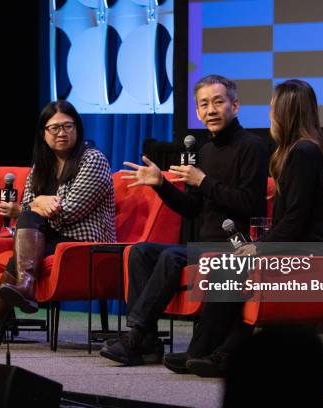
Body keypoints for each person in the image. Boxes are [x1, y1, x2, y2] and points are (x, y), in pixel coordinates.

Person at [99, 75, 269, 366]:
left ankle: (136, 335)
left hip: (236, 247)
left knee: (170, 256)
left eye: (218, 102)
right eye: (204, 104)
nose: (211, 110)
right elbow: (192, 208)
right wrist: (161, 185)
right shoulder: (203, 151)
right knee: (139, 252)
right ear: (198, 112)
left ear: (235, 105)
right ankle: (149, 342)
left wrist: (203, 181)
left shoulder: (252, 146)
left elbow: (249, 203)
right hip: (205, 244)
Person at [183, 79, 323, 377]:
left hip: (315, 250)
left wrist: (261, 246)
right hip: (305, 242)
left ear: (285, 113)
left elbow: (295, 219)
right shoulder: (302, 149)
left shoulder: (304, 152)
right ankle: (215, 351)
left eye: (272, 109)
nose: (270, 115)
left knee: (229, 265)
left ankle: (209, 351)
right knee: (231, 263)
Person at [0, 100, 116, 349]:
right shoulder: (41, 166)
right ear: (44, 134)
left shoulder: (93, 160)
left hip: (85, 242)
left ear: (78, 129)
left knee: (21, 243)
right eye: (54, 128)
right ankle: (20, 289)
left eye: (68, 126)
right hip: (50, 237)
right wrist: (37, 203)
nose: (61, 133)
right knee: (28, 223)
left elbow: (69, 212)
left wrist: (32, 205)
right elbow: (28, 208)